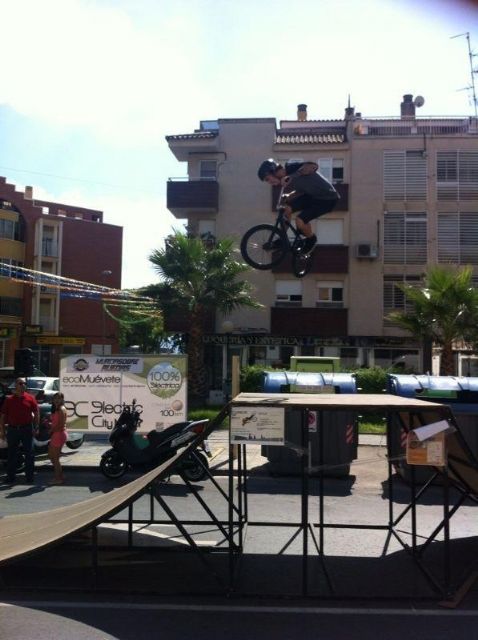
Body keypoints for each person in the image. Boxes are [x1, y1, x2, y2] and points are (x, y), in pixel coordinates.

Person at [257, 159, 339, 253]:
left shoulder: (291, 167)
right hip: (312, 196)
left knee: (300, 221)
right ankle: (282, 238)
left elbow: (313, 166)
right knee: (286, 208)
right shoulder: (288, 180)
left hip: (328, 198)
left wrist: (291, 176)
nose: (269, 182)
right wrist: (290, 195)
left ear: (273, 171)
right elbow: (302, 189)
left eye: (268, 179)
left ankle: (311, 239)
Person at [0, 377, 39, 484]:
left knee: (29, 453)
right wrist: (2, 431)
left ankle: (29, 477)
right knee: (12, 454)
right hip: (13, 429)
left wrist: (36, 427)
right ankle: (10, 477)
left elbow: (36, 413)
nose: (23, 385)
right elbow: (2, 416)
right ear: (16, 385)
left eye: (24, 383)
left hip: (27, 429)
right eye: (21, 383)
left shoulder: (30, 398)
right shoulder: (9, 400)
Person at [48, 392, 67, 485]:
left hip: (58, 434)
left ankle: (58, 479)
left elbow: (61, 425)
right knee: (51, 456)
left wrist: (51, 430)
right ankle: (60, 475)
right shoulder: (57, 408)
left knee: (55, 458)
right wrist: (50, 425)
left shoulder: (61, 409)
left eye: (59, 398)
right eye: (55, 398)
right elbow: (56, 422)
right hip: (56, 434)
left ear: (62, 400)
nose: (56, 400)